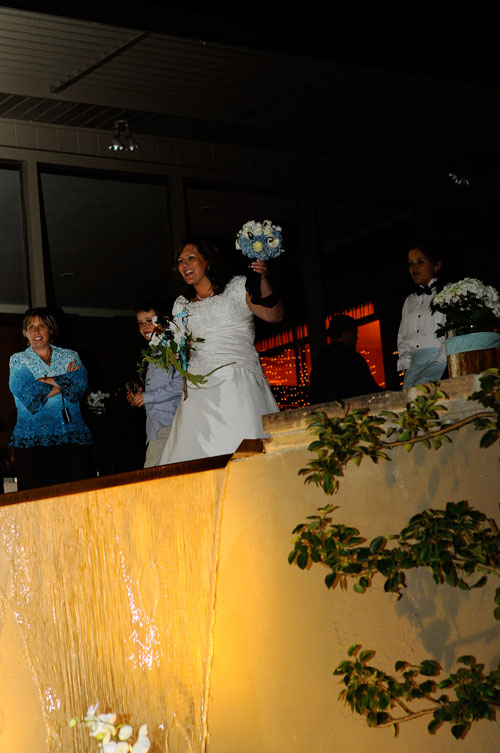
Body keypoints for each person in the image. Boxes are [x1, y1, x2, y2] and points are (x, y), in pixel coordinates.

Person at [160, 239, 283, 464]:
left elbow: (273, 315)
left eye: (191, 258)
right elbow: (180, 346)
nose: (184, 264)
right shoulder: (181, 304)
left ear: (207, 261)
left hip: (237, 381)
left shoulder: (237, 287)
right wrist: (175, 353)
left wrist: (263, 279)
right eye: (180, 261)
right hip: (198, 393)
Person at [9, 308, 93, 491]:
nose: (36, 331)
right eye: (31, 327)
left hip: (72, 438)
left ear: (51, 329)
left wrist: (44, 380)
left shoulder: (70, 356)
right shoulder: (18, 360)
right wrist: (64, 382)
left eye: (41, 326)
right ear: (25, 333)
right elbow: (26, 391)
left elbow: (80, 383)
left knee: (76, 496)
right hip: (33, 442)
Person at [127, 301, 183, 467]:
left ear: (164, 321)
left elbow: (180, 385)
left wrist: (147, 397)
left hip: (169, 423)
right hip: (155, 426)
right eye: (140, 323)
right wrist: (139, 397)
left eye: (149, 321)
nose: (144, 327)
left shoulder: (174, 347)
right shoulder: (154, 350)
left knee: (152, 474)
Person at [397, 244, 447, 388]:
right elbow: (403, 337)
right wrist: (407, 364)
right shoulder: (409, 300)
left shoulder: (448, 293)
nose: (414, 268)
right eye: (410, 264)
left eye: (420, 262)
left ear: (436, 265)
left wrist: (439, 362)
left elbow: (451, 332)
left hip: (441, 362)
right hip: (414, 368)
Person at [309, 315, 381, 404]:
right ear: (347, 334)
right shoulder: (353, 358)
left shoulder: (320, 359)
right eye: (355, 333)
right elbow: (368, 389)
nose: (357, 338)